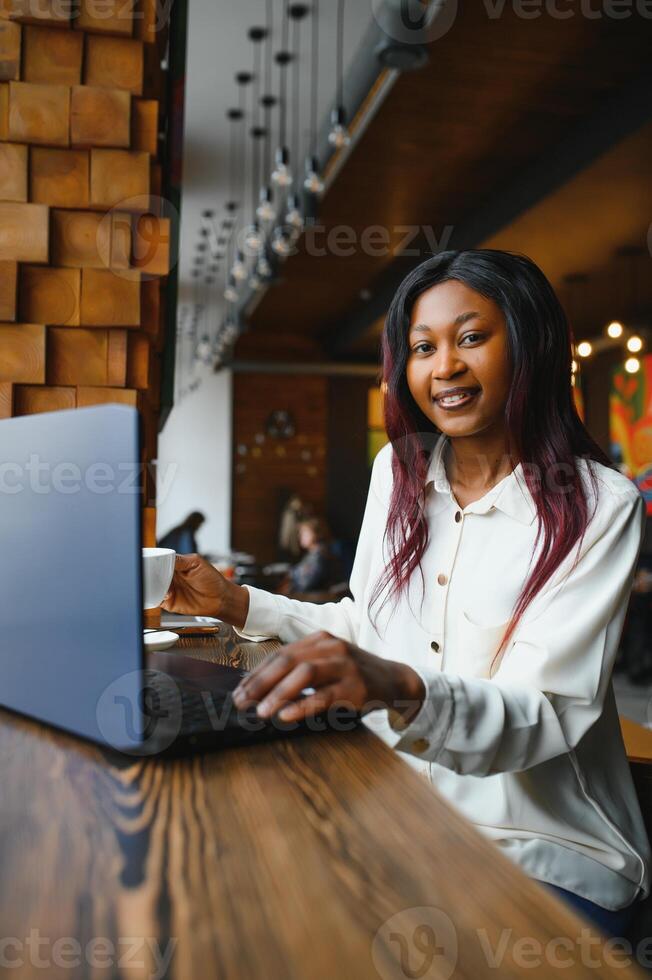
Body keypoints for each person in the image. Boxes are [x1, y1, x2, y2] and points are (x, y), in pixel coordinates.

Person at [162, 249, 650, 937]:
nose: (443, 367)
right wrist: (236, 604)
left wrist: (395, 684)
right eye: (422, 347)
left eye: (472, 338)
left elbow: (541, 715)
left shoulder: (600, 504)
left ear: (532, 341)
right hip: (395, 808)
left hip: (544, 853)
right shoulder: (397, 470)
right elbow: (367, 627)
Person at [282, 517, 334, 594]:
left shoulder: (319, 556)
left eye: (304, 533)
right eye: (300, 533)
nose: (300, 536)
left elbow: (305, 584)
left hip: (313, 599)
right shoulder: (312, 554)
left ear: (316, 534)